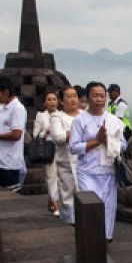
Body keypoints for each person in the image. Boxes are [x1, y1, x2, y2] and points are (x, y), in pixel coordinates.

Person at [69, 82, 127, 240]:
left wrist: (109, 141)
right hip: (87, 171)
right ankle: (91, 238)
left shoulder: (113, 120)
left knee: (108, 206)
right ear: (87, 98)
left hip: (108, 170)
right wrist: (97, 141)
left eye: (102, 96)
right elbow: (73, 147)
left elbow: (124, 145)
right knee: (91, 205)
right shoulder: (80, 121)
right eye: (95, 95)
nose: (99, 99)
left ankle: (106, 237)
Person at [0, 77, 27, 192]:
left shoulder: (17, 108)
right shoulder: (4, 108)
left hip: (9, 161)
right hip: (0, 160)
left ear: (6, 92)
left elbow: (16, 135)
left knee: (12, 193)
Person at [49, 85, 83, 224]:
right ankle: (71, 222)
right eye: (68, 97)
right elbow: (58, 137)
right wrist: (77, 133)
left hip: (84, 161)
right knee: (68, 194)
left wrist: (70, 133)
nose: (73, 99)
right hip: (66, 162)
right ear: (62, 101)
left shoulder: (84, 115)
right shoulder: (57, 116)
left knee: (85, 192)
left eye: (74, 96)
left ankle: (84, 220)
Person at [33, 91, 61, 215]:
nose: (52, 102)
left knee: (61, 177)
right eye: (49, 99)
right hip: (48, 150)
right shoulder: (41, 116)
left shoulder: (61, 115)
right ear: (44, 102)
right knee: (51, 177)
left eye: (54, 99)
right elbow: (35, 134)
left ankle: (52, 201)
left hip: (61, 148)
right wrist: (46, 131)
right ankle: (55, 205)